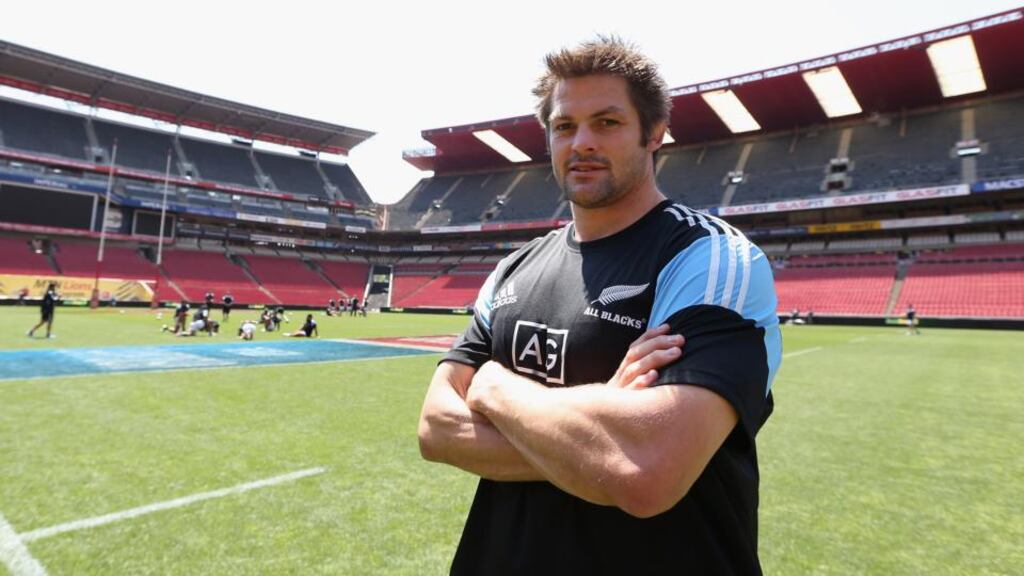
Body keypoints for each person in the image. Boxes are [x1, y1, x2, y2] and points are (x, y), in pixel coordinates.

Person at [418, 37, 781, 575]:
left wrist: (496, 389)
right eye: (565, 126)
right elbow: (436, 428)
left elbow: (646, 472)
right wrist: (599, 427)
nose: (581, 141)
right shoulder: (513, 268)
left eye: (607, 122)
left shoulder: (711, 259)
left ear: (653, 132)